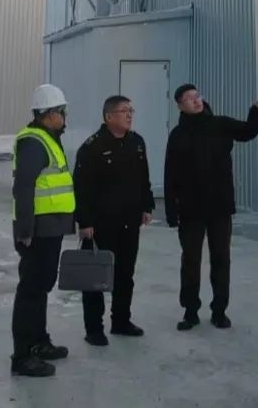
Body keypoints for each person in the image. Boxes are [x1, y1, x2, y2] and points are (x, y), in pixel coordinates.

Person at [164, 84, 258, 331]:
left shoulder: (220, 124)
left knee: (221, 259)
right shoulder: (178, 135)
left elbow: (247, 131)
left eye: (197, 96)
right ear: (180, 105)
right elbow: (170, 174)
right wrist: (171, 210)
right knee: (190, 261)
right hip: (190, 209)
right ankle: (190, 311)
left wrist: (257, 111)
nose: (196, 100)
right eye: (189, 98)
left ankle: (219, 311)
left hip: (219, 207)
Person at [73, 95, 155, 346]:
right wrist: (84, 222)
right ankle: (94, 329)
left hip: (129, 222)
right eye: (123, 111)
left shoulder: (136, 142)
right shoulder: (92, 147)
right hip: (100, 224)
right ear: (108, 117)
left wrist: (147, 205)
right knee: (96, 277)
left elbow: (144, 178)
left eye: (131, 110)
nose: (129, 115)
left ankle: (121, 321)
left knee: (125, 274)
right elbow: (82, 188)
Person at [10, 83, 75, 378]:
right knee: (31, 291)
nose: (64, 117)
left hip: (50, 228)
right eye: (62, 112)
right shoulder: (34, 142)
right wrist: (25, 230)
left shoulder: (48, 138)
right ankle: (23, 356)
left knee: (41, 287)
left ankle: (39, 342)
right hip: (37, 230)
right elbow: (23, 188)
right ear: (49, 114)